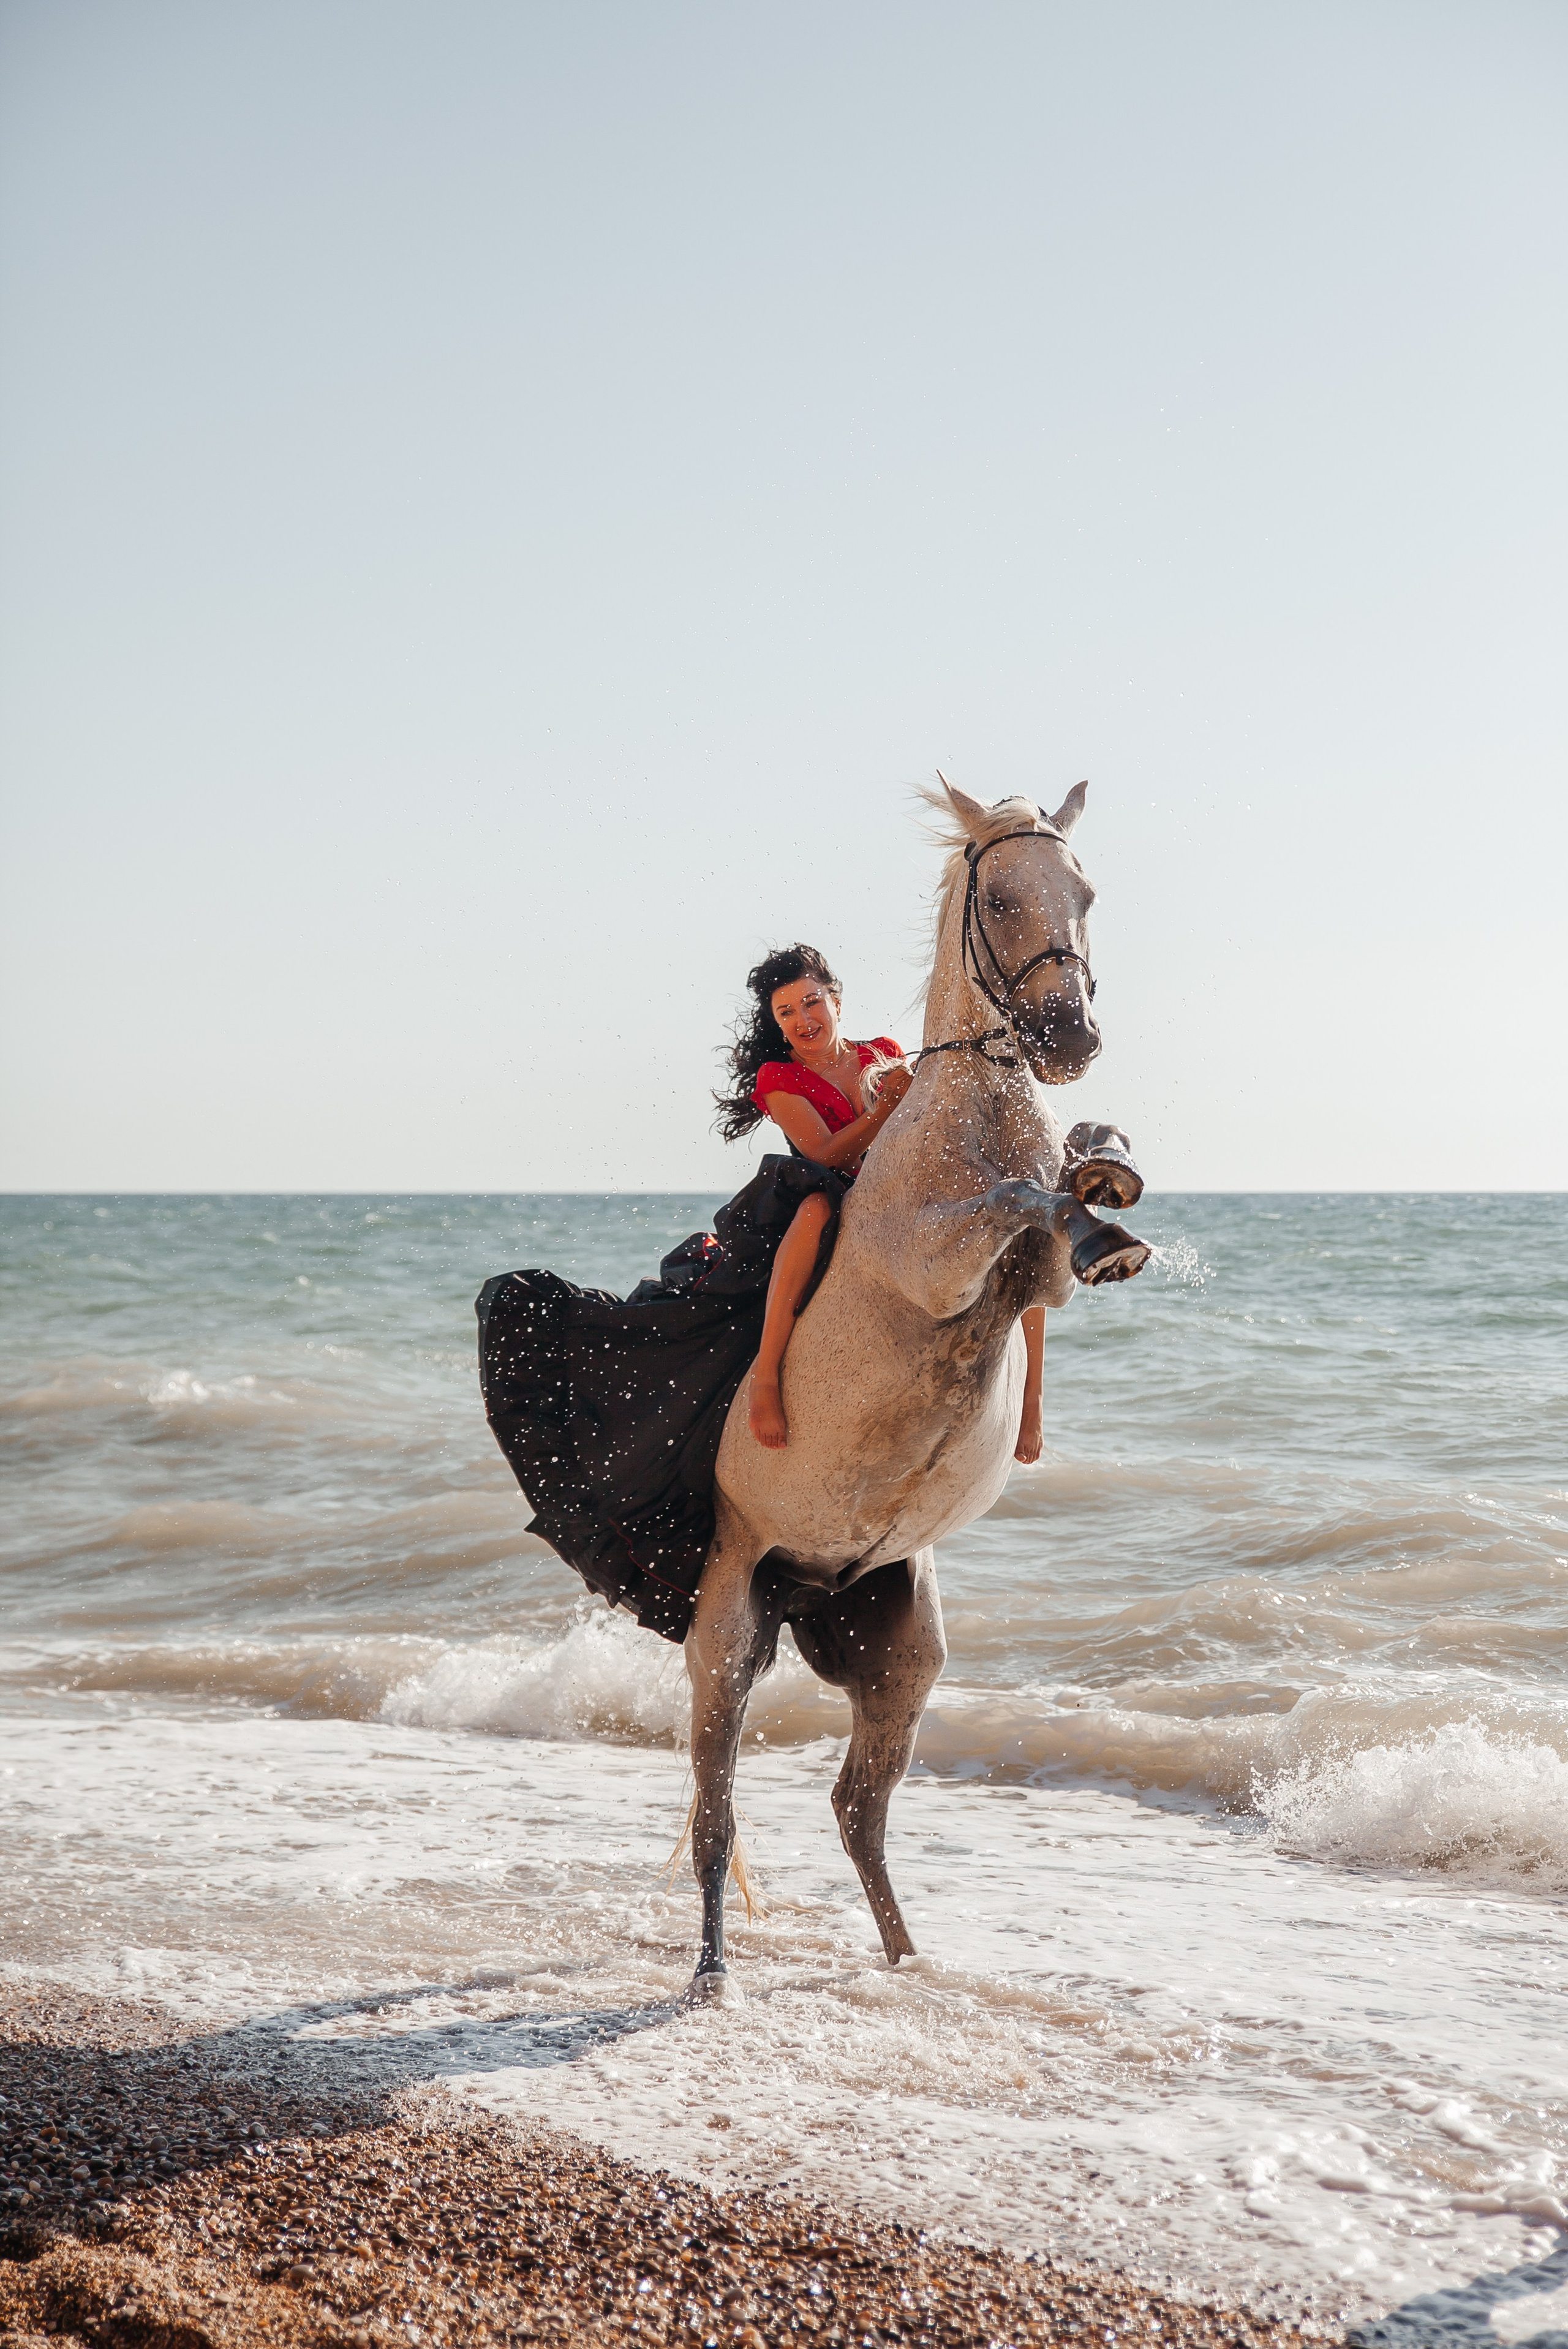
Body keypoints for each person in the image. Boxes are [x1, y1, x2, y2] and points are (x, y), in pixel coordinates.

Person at [713, 944, 1049, 1462]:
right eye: (787, 1012)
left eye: (811, 1002)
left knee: (1013, 1222)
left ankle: (1032, 1400)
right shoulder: (778, 1079)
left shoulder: (883, 1051)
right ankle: (766, 1376)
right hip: (829, 1188)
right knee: (814, 1212)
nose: (803, 1019)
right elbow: (823, 1151)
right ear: (778, 1026)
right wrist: (887, 1107)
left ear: (837, 1001)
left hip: (898, 1187)